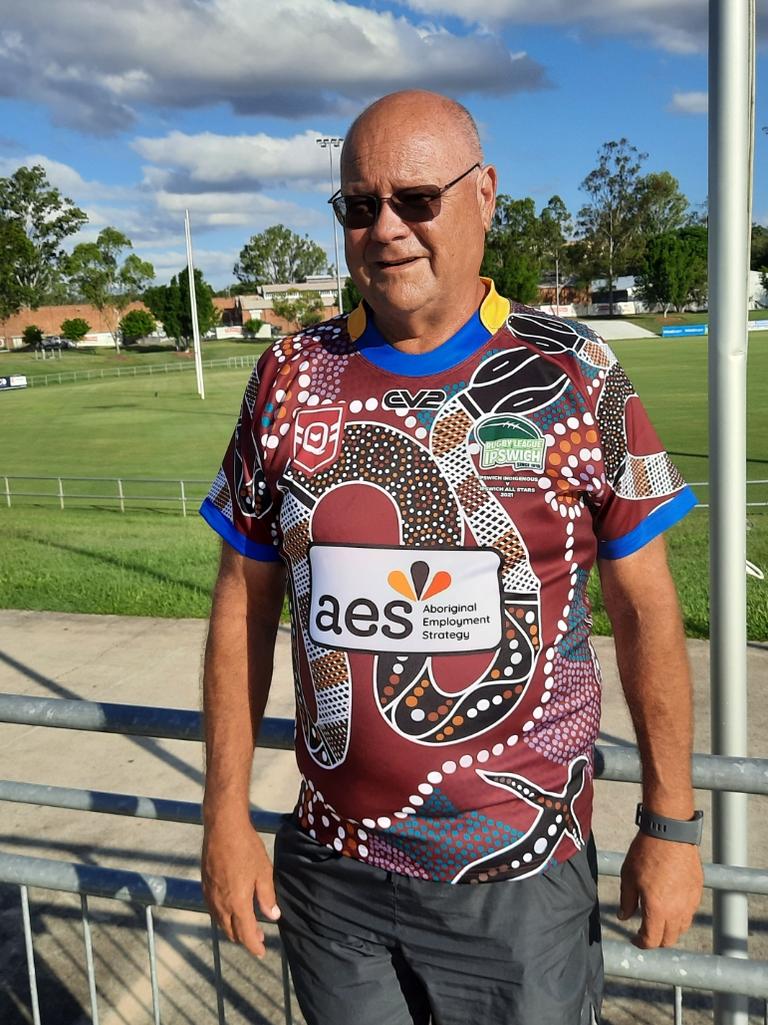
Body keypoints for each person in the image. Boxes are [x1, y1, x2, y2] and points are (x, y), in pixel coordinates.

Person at [199, 90, 704, 1025]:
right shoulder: (287, 375)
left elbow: (645, 607)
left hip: (519, 883)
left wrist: (670, 823)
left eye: (417, 199)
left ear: (485, 196)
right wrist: (224, 816)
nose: (386, 228)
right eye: (360, 204)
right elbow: (241, 602)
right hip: (332, 873)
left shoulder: (573, 371)